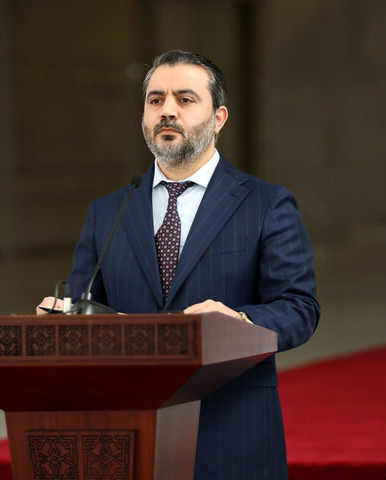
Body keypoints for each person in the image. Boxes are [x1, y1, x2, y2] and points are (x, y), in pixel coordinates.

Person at [37, 50, 320, 480]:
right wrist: (64, 319)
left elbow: (300, 308)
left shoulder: (266, 203)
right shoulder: (108, 211)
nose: (167, 110)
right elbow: (85, 304)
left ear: (219, 117)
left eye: (185, 99)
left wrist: (239, 319)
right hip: (127, 435)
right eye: (155, 100)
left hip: (232, 429)